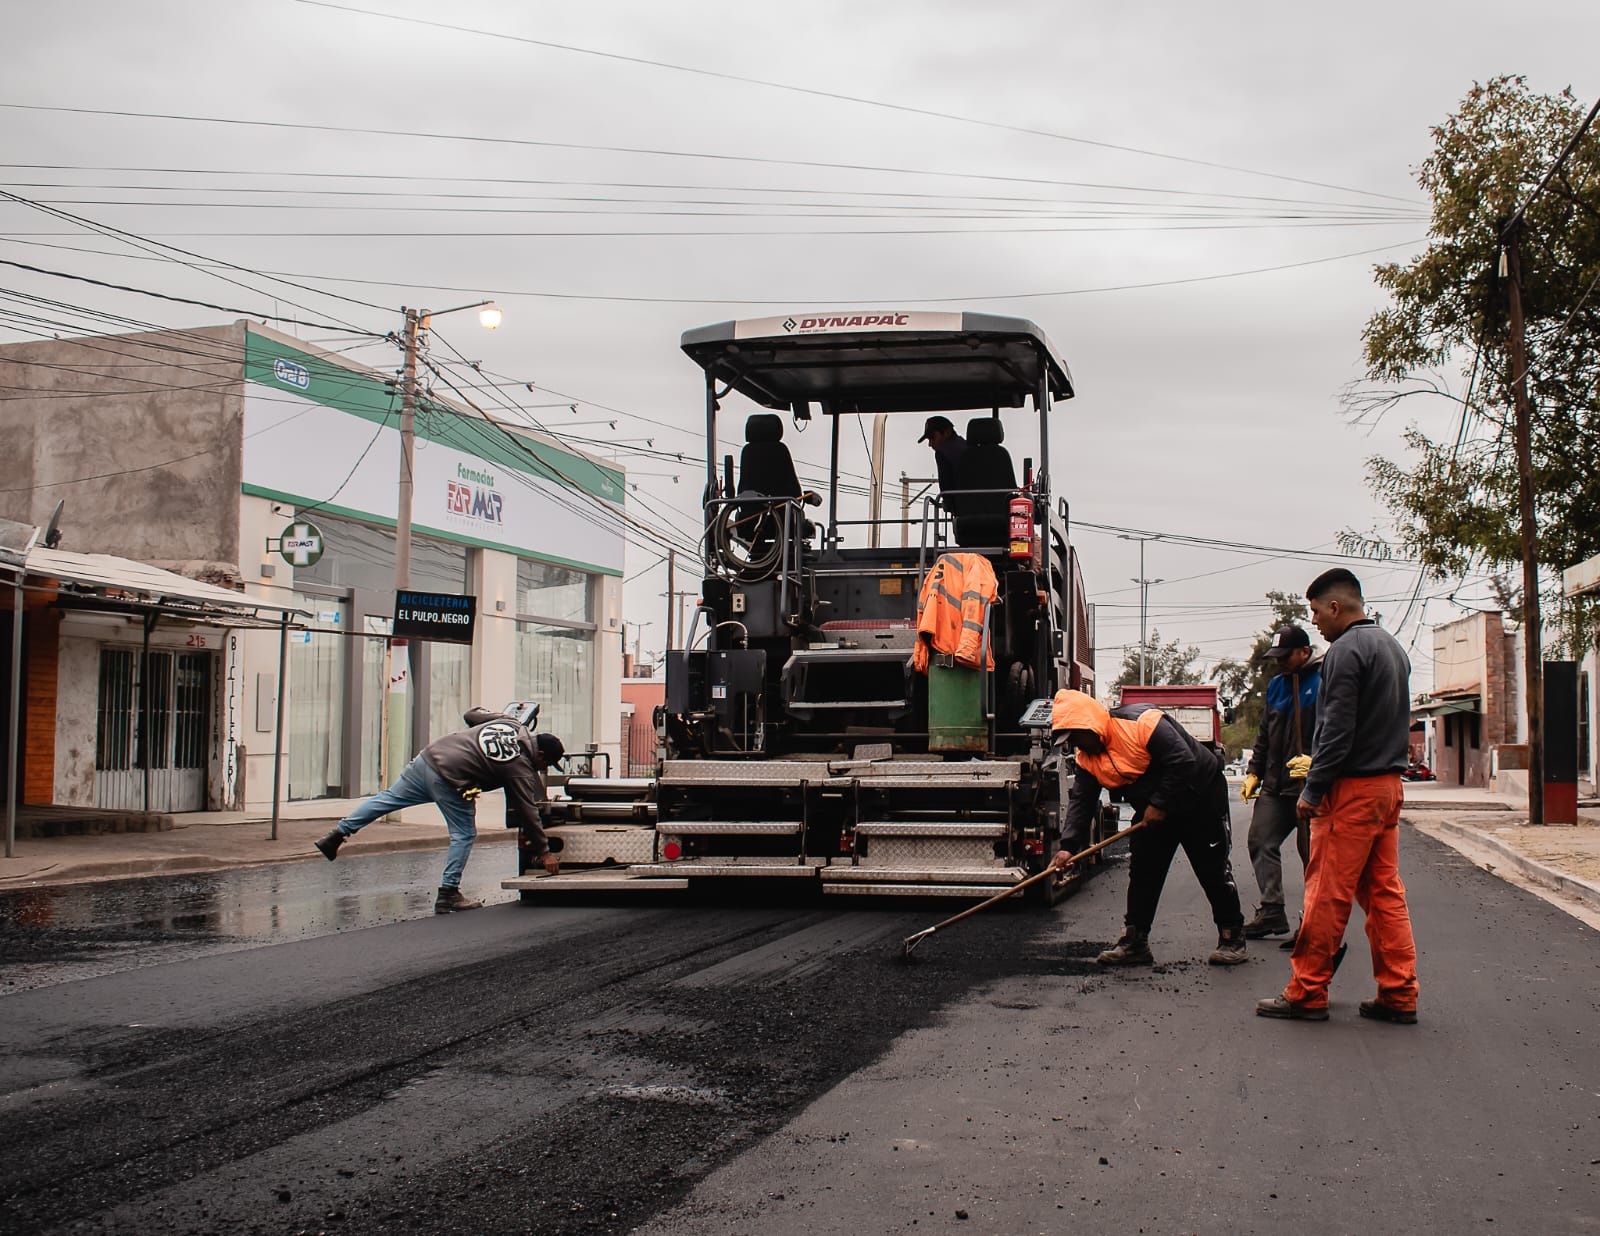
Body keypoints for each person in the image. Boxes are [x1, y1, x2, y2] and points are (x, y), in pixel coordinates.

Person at [1256, 568, 1420, 1024]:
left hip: (1351, 791)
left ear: (1334, 607)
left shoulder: (1345, 652)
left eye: (1315, 613)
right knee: (1384, 893)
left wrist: (1313, 789)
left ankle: (1307, 992)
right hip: (1388, 787)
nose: (1317, 623)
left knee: (1326, 892)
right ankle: (1399, 992)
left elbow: (1336, 731)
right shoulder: (1392, 647)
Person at [1049, 689, 1247, 966]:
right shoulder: (1087, 758)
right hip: (1153, 810)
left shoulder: (1143, 722)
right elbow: (1081, 803)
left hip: (1200, 796)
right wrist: (1068, 847)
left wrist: (1160, 803)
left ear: (1090, 724)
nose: (1075, 745)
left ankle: (1232, 936)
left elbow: (1183, 760)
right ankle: (1135, 942)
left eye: (1076, 737)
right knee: (1143, 871)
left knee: (1211, 868)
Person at [313, 707, 565, 914]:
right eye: (546, 763)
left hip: (428, 758)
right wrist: (544, 852)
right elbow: (527, 809)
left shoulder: (511, 723)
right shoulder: (518, 765)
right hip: (451, 779)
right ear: (539, 753)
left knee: (388, 798)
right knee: (464, 834)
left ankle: (337, 834)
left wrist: (497, 718)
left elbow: (471, 715)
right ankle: (448, 893)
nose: (542, 768)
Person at [1240, 625, 1321, 939]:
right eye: (1276, 657)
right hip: (1276, 786)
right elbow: (1264, 735)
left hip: (1310, 788)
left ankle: (1316, 922)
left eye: (1285, 656)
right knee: (1261, 841)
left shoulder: (1324, 681)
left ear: (1304, 651)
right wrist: (1254, 772)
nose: (1280, 662)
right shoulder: (1276, 686)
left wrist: (1316, 764)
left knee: (1312, 857)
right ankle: (1272, 911)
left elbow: (1337, 731)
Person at [917, 415, 967, 502]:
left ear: (947, 432)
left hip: (965, 510)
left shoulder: (942, 453)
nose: (930, 444)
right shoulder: (968, 447)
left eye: (932, 437)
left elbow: (946, 490)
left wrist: (948, 505)